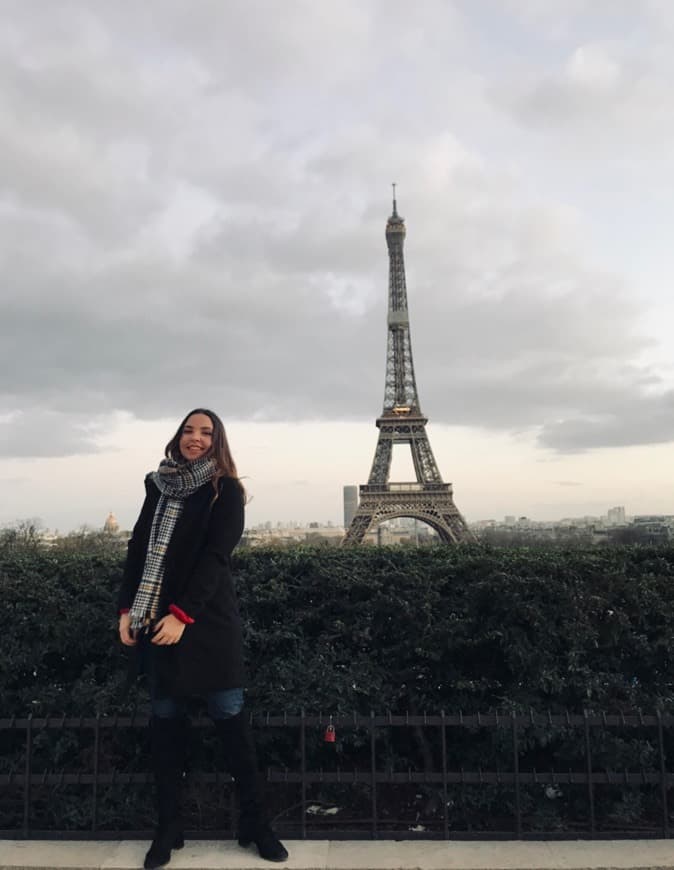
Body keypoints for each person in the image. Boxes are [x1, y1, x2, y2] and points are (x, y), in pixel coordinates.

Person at [118, 409, 288, 869]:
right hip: (154, 621)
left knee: (231, 724)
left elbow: (216, 556)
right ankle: (168, 827)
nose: (196, 438)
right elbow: (139, 547)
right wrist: (125, 608)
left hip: (206, 623)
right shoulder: (157, 486)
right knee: (166, 727)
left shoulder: (225, 489)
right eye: (189, 430)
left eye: (206, 432)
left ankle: (256, 823)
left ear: (218, 442)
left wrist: (182, 615)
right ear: (177, 436)